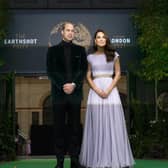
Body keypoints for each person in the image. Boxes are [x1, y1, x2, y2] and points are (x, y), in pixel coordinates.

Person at [79, 29, 135, 168]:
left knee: (113, 123)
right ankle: (98, 158)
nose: (101, 39)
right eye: (99, 37)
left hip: (111, 91)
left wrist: (109, 89)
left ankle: (114, 158)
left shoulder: (114, 55)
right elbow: (88, 75)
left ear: (106, 40)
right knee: (98, 123)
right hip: (95, 91)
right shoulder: (90, 57)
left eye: (104, 37)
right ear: (95, 40)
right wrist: (97, 89)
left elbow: (118, 74)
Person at [46, 21, 87, 168]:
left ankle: (75, 161)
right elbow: (50, 71)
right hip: (58, 95)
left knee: (75, 129)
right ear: (61, 32)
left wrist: (74, 85)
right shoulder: (52, 51)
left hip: (75, 95)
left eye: (72, 31)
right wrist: (63, 85)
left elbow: (82, 70)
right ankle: (60, 161)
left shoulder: (81, 50)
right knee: (58, 129)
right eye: (68, 30)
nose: (70, 32)